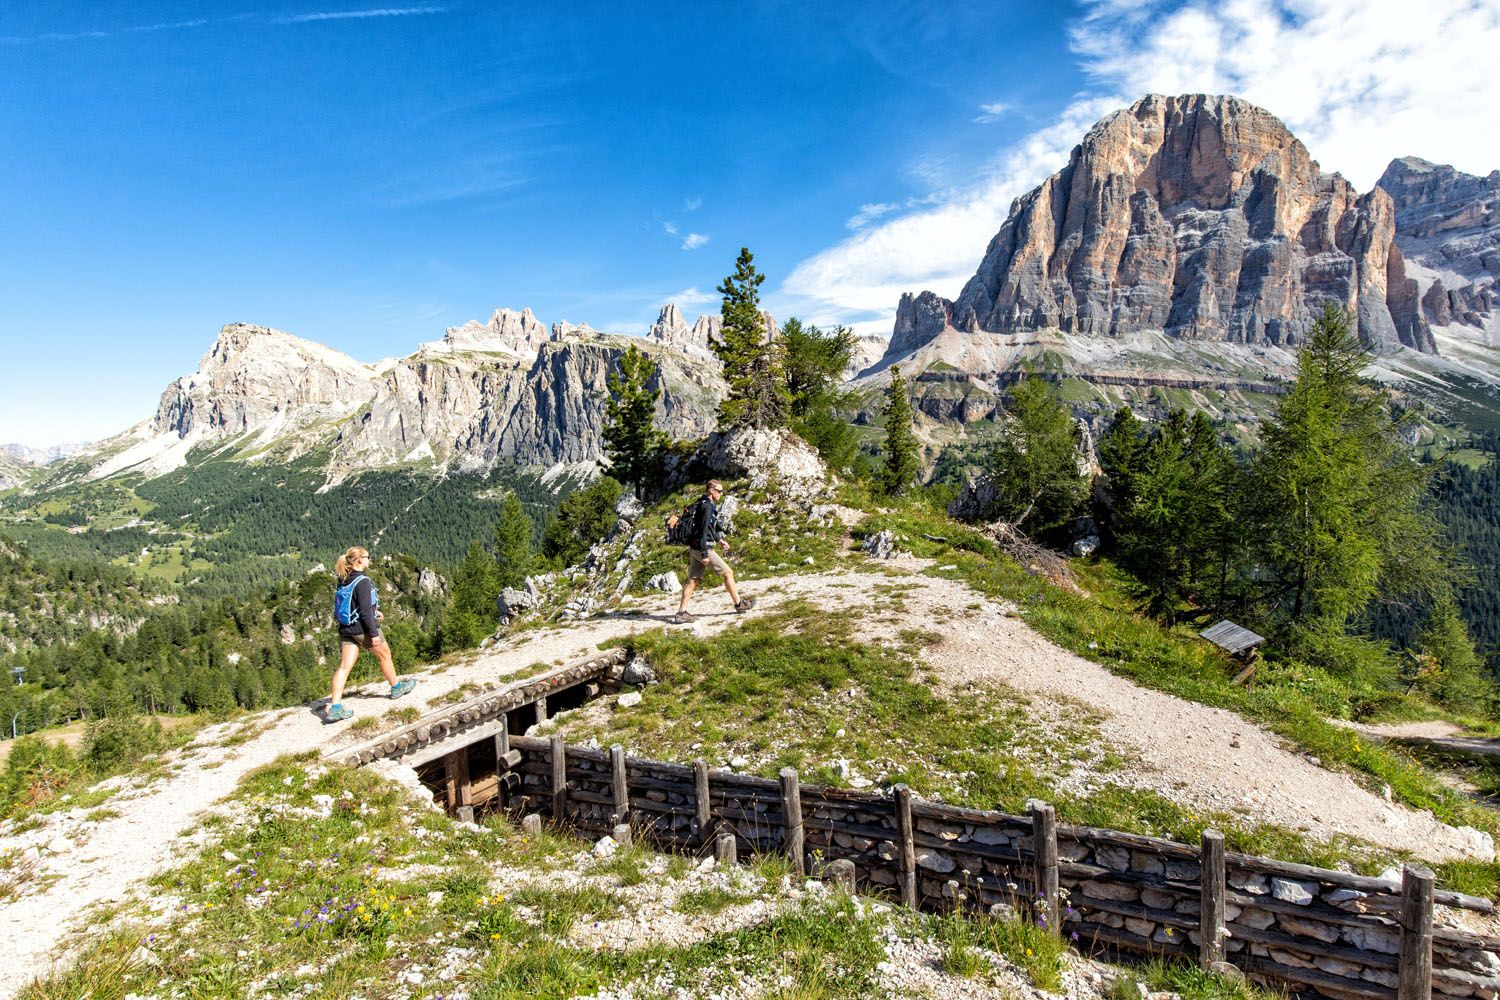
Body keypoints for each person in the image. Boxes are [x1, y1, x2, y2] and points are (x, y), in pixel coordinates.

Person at [326, 546, 414, 722]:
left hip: (346, 629)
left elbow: (355, 605)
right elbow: (365, 611)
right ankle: (396, 688)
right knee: (385, 655)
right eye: (367, 557)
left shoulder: (343, 578)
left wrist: (375, 612)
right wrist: (373, 633)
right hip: (362, 629)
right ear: (359, 560)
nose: (369, 560)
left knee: (344, 666)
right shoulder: (363, 581)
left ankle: (335, 707)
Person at [674, 480, 755, 623]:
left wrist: (720, 540)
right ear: (711, 490)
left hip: (695, 548)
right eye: (719, 491)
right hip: (702, 548)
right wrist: (705, 554)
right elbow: (703, 531)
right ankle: (739, 605)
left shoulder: (702, 503)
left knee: (692, 580)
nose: (721, 494)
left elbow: (709, 527)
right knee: (728, 572)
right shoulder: (707, 506)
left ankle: (681, 613)